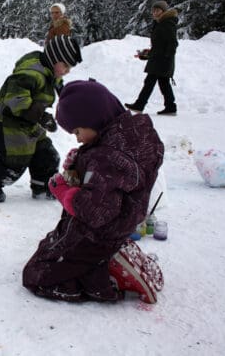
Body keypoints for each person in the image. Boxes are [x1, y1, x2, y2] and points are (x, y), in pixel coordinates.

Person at [22, 80, 165, 303]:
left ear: (93, 118)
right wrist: (80, 161)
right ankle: (110, 256)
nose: (77, 138)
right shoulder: (132, 133)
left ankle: (106, 274)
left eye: (77, 131)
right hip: (122, 220)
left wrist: (64, 192)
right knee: (51, 244)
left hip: (99, 232)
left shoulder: (106, 157)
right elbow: (113, 173)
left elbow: (95, 212)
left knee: (37, 273)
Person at [0, 35, 82, 202]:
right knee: (14, 164)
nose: (67, 71)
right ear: (54, 59)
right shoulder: (30, 74)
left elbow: (59, 86)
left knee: (47, 155)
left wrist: (72, 100)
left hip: (28, 126)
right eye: (66, 66)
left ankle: (42, 187)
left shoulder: (49, 71)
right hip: (5, 127)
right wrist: (41, 116)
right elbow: (15, 100)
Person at [125, 0, 179, 115]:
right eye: (153, 10)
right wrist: (148, 54)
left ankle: (139, 105)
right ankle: (170, 107)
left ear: (163, 11)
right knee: (164, 84)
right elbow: (160, 45)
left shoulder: (167, 23)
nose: (154, 12)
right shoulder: (160, 23)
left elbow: (173, 43)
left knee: (149, 82)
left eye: (157, 10)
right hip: (159, 60)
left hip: (162, 61)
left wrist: (166, 56)